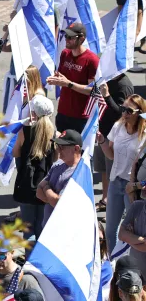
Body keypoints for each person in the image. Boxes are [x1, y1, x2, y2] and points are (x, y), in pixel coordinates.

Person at [99, 94, 146, 249]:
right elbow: (111, 154)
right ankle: (111, 262)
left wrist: (136, 186)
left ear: (139, 112)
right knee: (111, 228)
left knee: (132, 229)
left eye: (129, 111)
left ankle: (130, 264)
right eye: (123, 109)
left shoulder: (144, 134)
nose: (124, 113)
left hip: (132, 187)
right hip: (115, 182)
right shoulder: (118, 126)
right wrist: (102, 141)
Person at [11, 95, 56, 239]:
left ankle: (28, 259)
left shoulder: (24, 131)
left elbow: (15, 152)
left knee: (28, 227)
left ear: (34, 112)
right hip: (46, 184)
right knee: (42, 224)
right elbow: (55, 159)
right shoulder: (55, 134)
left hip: (27, 183)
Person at [46, 23, 99, 134]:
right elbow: (62, 77)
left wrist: (69, 84)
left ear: (81, 39)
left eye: (70, 37)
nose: (66, 39)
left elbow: (93, 90)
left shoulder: (92, 60)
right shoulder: (65, 54)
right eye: (66, 36)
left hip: (80, 117)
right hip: (63, 112)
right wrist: (56, 79)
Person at [95, 74, 135, 212]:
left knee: (114, 172)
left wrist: (106, 96)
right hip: (103, 133)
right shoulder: (107, 80)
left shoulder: (124, 86)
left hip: (116, 137)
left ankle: (116, 207)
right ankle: (106, 200)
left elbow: (121, 114)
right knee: (104, 170)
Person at [36, 129, 82, 229]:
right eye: (57, 146)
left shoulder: (79, 173)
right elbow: (38, 192)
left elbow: (58, 203)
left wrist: (46, 188)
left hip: (63, 231)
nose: (58, 150)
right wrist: (51, 198)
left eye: (62, 147)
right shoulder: (58, 164)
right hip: (48, 228)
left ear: (76, 148)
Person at [119, 193, 146, 279]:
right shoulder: (136, 206)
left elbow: (144, 247)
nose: (143, 187)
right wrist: (143, 239)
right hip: (136, 275)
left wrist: (130, 239)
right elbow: (121, 234)